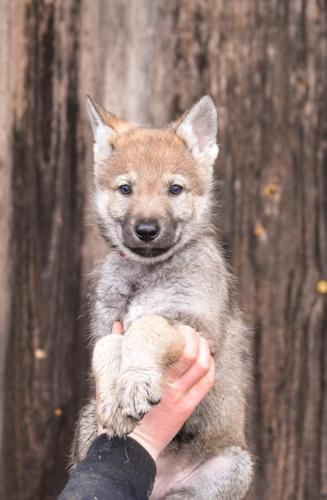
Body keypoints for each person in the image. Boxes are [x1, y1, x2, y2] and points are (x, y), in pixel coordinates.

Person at [59, 321, 215, 499]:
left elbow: (200, 339)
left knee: (233, 465)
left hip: (197, 460)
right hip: (112, 462)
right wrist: (139, 440)